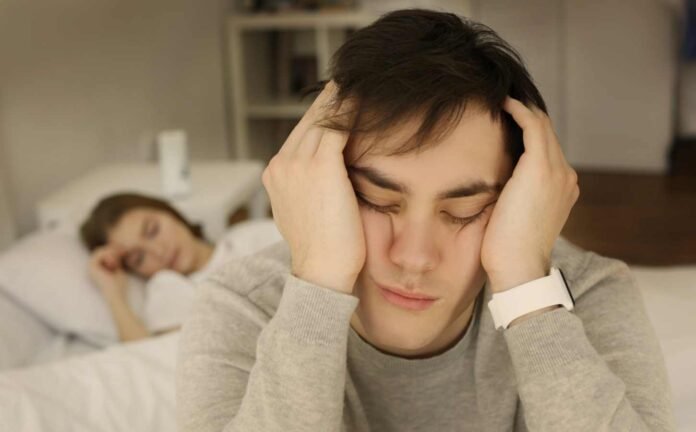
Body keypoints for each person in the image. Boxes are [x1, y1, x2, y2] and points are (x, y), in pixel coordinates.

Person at [176, 9, 676, 432]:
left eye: (462, 211)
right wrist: (319, 284)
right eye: (376, 199)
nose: (414, 256)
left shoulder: (584, 297)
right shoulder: (241, 306)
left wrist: (527, 288)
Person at [80, 193, 280, 342]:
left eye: (152, 230)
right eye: (138, 258)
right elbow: (151, 361)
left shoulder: (248, 236)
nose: (159, 251)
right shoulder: (169, 288)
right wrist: (112, 293)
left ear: (169, 212)